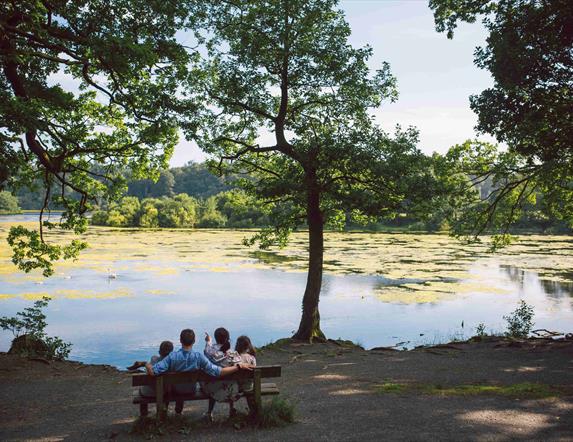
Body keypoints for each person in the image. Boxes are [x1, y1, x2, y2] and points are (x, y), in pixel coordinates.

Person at [145, 329, 253, 415]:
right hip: (191, 389)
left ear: (180, 340)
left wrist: (147, 364)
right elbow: (218, 372)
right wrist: (238, 366)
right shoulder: (198, 357)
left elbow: (153, 372)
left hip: (176, 391)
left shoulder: (172, 357)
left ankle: (172, 412)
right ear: (194, 341)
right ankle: (179, 412)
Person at [202, 327, 242, 421]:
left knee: (212, 378)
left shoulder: (210, 352)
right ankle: (232, 409)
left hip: (213, 388)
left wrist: (208, 341)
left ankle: (209, 412)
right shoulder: (234, 354)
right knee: (230, 378)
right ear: (227, 338)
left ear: (216, 338)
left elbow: (207, 350)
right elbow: (239, 364)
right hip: (232, 389)